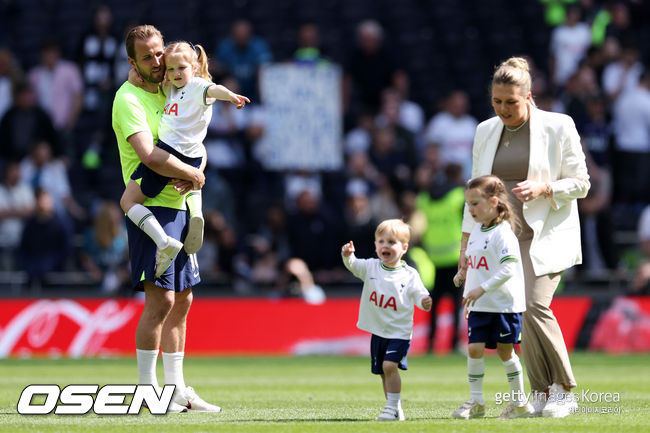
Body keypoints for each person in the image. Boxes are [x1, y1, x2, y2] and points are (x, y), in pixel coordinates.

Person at [459, 57, 590, 418]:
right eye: (497, 101)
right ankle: (540, 393)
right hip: (502, 240)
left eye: (511, 102)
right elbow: (474, 192)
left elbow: (582, 183)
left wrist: (546, 187)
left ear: (528, 97)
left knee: (534, 305)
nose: (503, 109)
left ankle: (564, 390)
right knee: (519, 312)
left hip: (545, 235)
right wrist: (466, 245)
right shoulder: (485, 130)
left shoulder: (559, 126)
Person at [111, 24, 218, 413]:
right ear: (132, 63)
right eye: (147, 57)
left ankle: (177, 390)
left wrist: (197, 167)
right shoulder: (128, 99)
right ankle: (147, 392)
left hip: (181, 205)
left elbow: (194, 143)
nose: (157, 62)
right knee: (160, 302)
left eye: (159, 53)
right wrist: (194, 174)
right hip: (152, 207)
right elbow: (150, 156)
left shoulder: (173, 88)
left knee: (183, 301)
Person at [120, 40, 249, 278]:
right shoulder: (171, 87)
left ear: (194, 67)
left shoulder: (198, 86)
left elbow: (213, 89)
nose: (175, 74)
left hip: (170, 154)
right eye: (170, 69)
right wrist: (133, 74)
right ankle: (197, 213)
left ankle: (163, 242)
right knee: (190, 182)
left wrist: (230, 96)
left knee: (128, 202)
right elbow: (153, 79)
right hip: (194, 153)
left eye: (181, 68)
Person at [451, 175, 533, 419]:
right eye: (468, 204)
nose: (471, 209)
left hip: (504, 305)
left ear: (494, 201)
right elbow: (476, 267)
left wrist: (481, 289)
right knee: (474, 349)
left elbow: (508, 268)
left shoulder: (503, 233)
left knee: (505, 352)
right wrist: (464, 282)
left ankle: (519, 402)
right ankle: (477, 402)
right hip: (480, 304)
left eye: (475, 203)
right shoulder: (476, 231)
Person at [341, 219, 432, 421]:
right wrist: (348, 255)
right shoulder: (371, 267)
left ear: (404, 247)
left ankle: (391, 408)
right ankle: (394, 409)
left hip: (399, 332)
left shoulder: (409, 274)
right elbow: (354, 266)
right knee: (383, 372)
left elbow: (419, 294)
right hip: (379, 331)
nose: (385, 246)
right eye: (381, 241)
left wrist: (424, 301)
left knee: (389, 366)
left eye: (392, 242)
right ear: (375, 246)